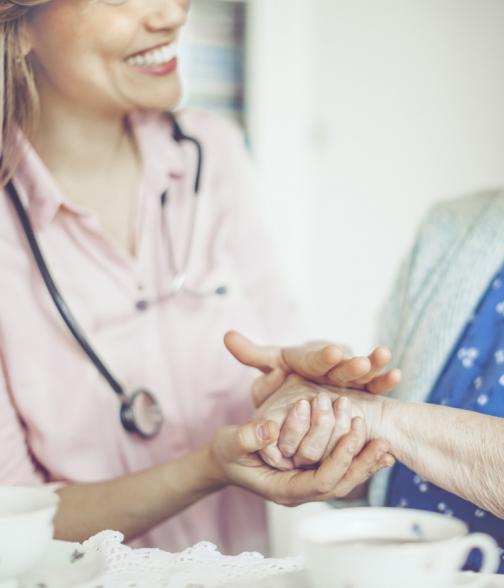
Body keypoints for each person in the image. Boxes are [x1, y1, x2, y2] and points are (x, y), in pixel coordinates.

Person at [0, 0, 398, 555]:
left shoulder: (214, 151)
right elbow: (11, 521)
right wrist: (208, 468)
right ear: (18, 27)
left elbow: (275, 345)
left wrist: (309, 387)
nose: (171, 13)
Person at [227, 0, 504, 578]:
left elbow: (398, 425)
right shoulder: (452, 232)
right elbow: (388, 484)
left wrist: (383, 419)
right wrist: (327, 429)